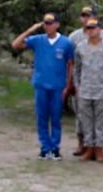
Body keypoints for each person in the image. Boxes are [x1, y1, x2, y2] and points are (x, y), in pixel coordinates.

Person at [11, 12, 75, 160]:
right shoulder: (38, 40)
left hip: (57, 86)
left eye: (51, 23)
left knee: (56, 118)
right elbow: (16, 44)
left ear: (57, 24)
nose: (48, 26)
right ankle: (45, 148)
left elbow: (70, 64)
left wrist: (68, 84)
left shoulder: (66, 43)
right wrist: (31, 30)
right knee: (42, 118)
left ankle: (55, 147)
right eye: (45, 23)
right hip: (41, 84)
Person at [68, 6, 103, 156]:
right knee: (83, 119)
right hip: (84, 87)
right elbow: (75, 66)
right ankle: (85, 146)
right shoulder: (76, 39)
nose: (87, 19)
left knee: (100, 120)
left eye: (90, 16)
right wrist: (75, 85)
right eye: (84, 16)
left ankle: (98, 149)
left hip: (101, 87)